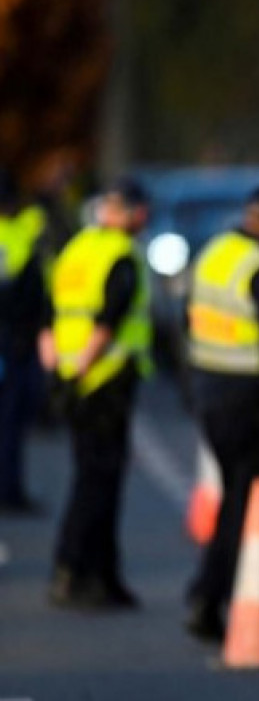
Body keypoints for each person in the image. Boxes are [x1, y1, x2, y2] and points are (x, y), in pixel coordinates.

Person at [184, 183, 259, 640]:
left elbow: (185, 320)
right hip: (249, 402)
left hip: (210, 390)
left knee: (244, 500)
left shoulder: (215, 252)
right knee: (244, 504)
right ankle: (210, 598)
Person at [42, 177, 153, 608]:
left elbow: (50, 316)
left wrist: (58, 375)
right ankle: (73, 568)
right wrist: (83, 370)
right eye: (139, 210)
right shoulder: (120, 255)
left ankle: (104, 576)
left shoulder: (76, 251)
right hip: (104, 379)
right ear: (128, 212)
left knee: (92, 477)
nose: (143, 218)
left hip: (73, 378)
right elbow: (107, 322)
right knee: (99, 483)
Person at [0, 170, 48, 513]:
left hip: (12, 339)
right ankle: (9, 491)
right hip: (12, 341)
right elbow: (28, 293)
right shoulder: (18, 236)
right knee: (10, 421)